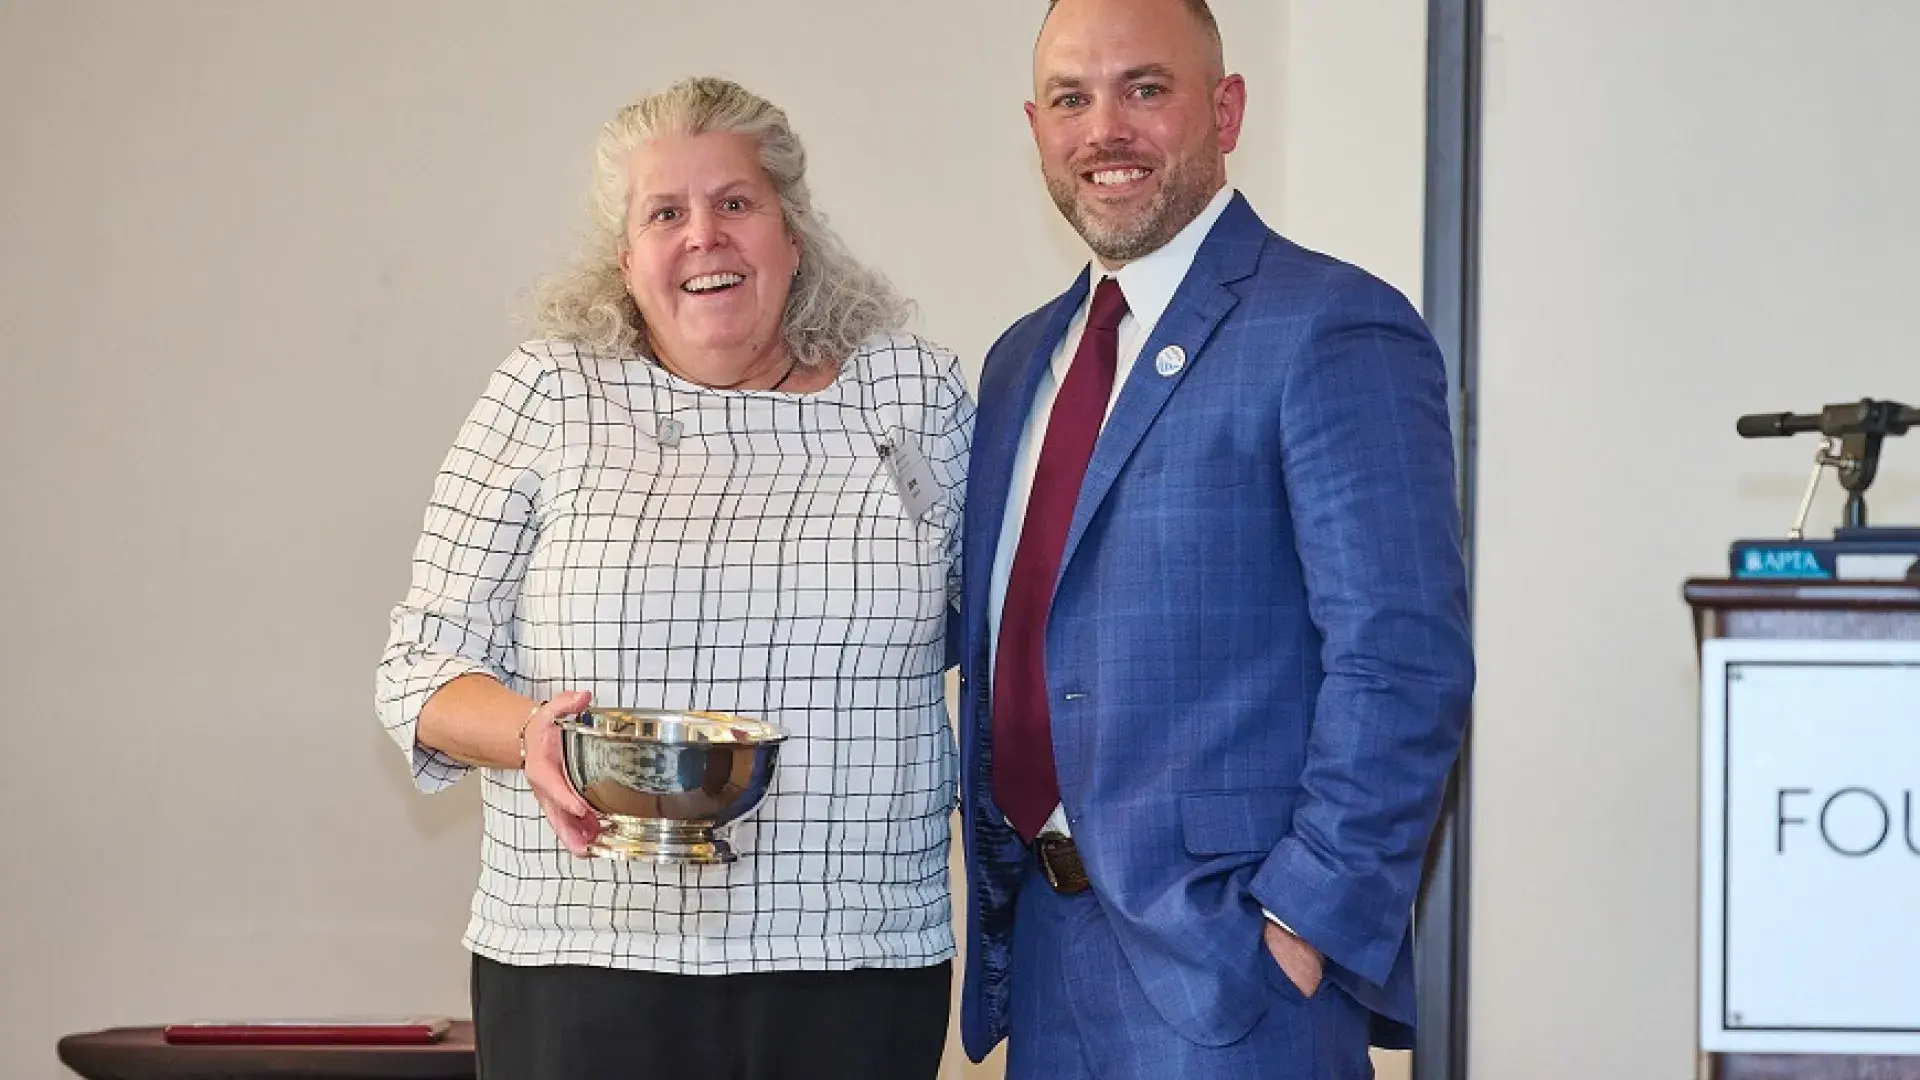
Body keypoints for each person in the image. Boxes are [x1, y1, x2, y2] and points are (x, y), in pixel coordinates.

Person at [375, 76, 973, 1080]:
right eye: (666, 212)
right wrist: (532, 737)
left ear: (791, 231)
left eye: (735, 202)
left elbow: (1006, 633)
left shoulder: (911, 394)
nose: (704, 236)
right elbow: (417, 673)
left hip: (858, 954)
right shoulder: (552, 390)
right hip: (585, 953)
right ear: (625, 256)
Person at [955, 1, 1476, 1077]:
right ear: (1035, 126)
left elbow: (1402, 656)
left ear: (1226, 109)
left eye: (1145, 89)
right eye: (1071, 98)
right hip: (1046, 958)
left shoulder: (1331, 326)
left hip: (1233, 973)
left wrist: (1303, 925)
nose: (1105, 129)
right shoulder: (1019, 365)